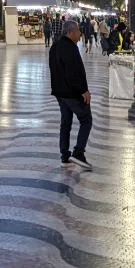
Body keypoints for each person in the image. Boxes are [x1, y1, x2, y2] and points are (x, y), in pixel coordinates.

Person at [49, 19, 92, 169]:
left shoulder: (54, 46)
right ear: (69, 32)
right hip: (72, 93)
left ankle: (65, 156)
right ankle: (78, 152)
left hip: (60, 93)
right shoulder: (70, 48)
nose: (80, 34)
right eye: (78, 31)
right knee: (86, 120)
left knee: (66, 123)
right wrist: (83, 90)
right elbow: (72, 72)